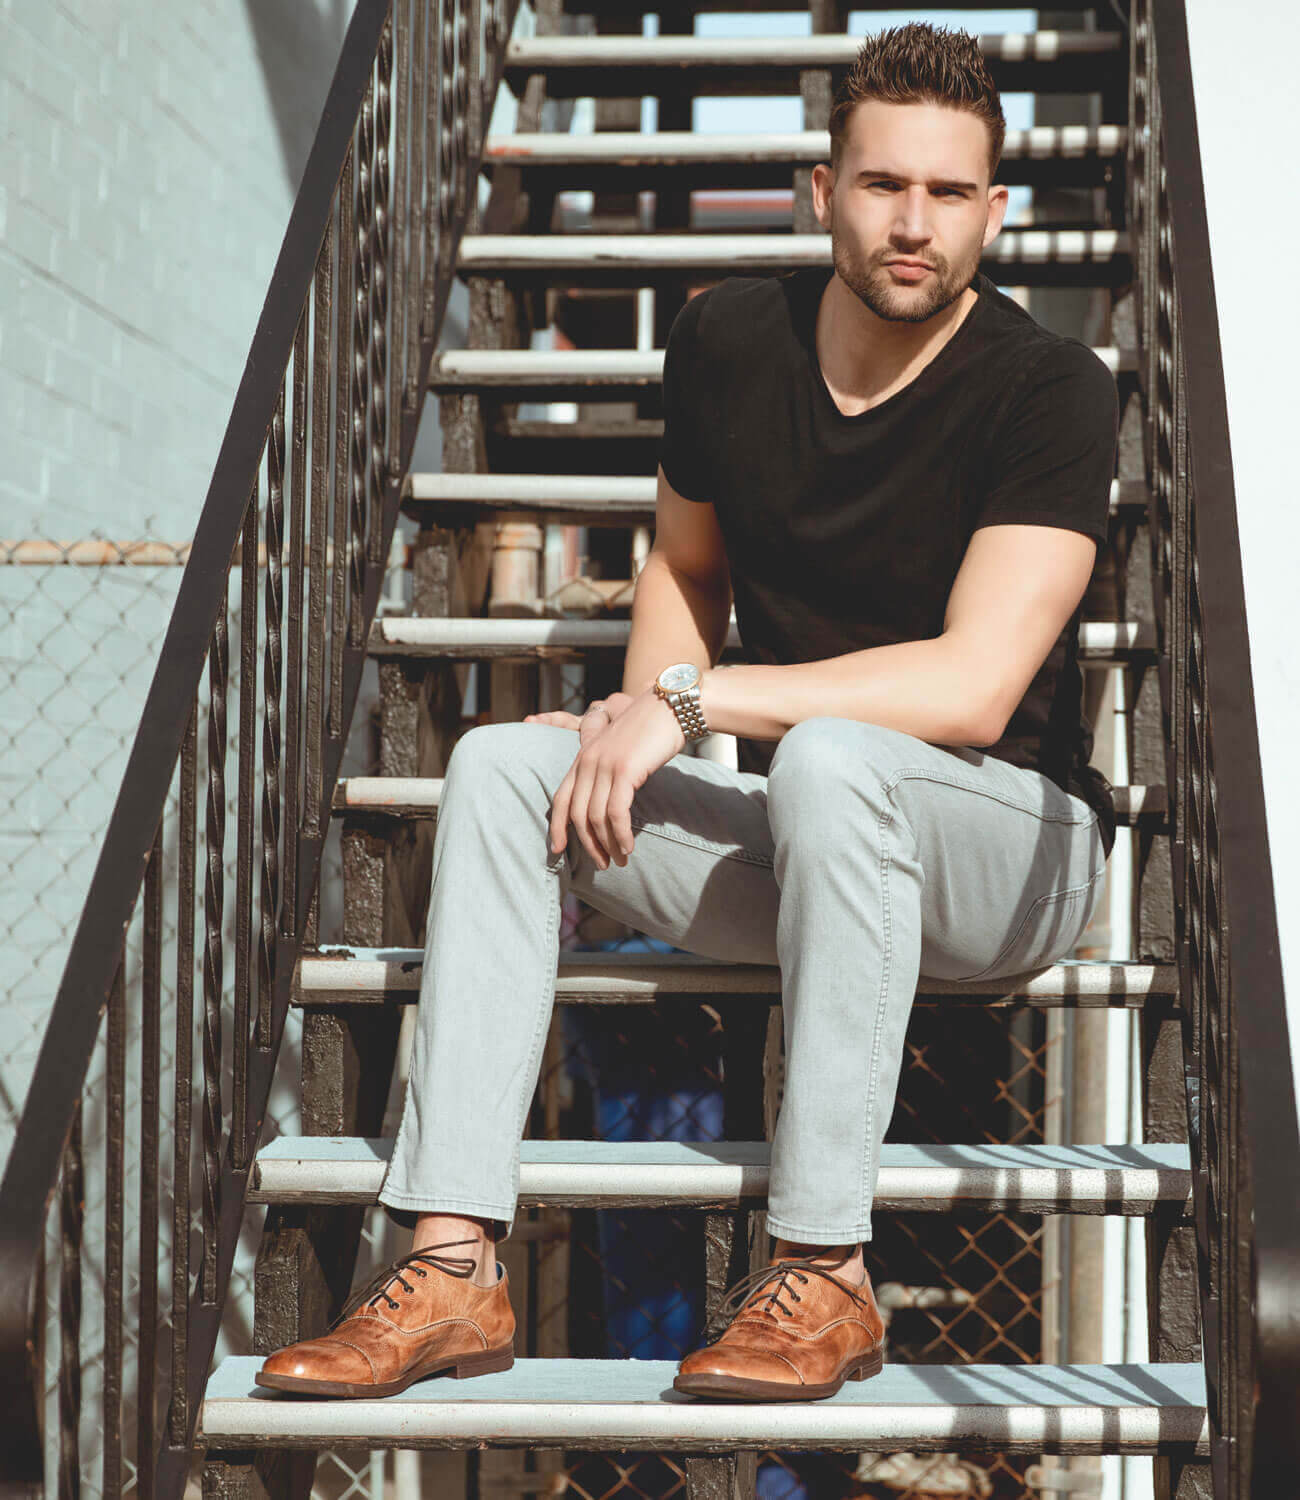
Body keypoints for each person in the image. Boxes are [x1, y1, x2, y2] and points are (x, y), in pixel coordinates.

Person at [255, 20, 1118, 1404]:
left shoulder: (1050, 392)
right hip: (821, 836)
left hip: (1012, 857)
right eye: (886, 185)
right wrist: (624, 721)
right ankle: (452, 1260)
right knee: (496, 773)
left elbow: (974, 687)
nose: (915, 225)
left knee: (841, 758)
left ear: (995, 213)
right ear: (822, 191)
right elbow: (685, 565)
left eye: (950, 195)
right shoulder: (726, 342)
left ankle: (824, 1272)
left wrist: (688, 698)